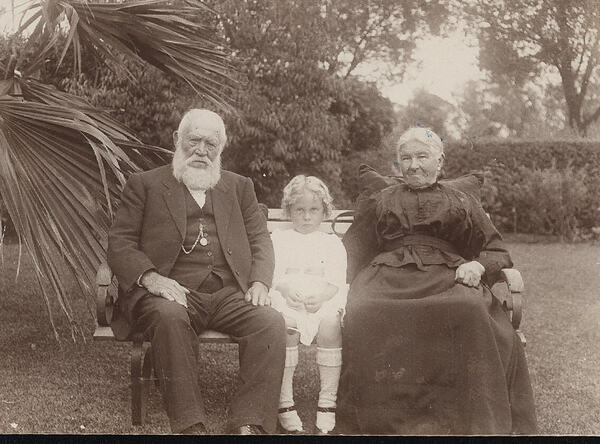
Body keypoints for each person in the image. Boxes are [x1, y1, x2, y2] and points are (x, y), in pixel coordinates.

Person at [336, 127, 537, 435]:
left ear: (440, 162)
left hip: (448, 276)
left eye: (422, 156)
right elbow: (352, 249)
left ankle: (463, 418)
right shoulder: (381, 199)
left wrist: (479, 267)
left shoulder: (462, 200)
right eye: (406, 158)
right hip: (387, 277)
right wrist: (332, 285)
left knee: (467, 307)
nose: (414, 165)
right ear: (398, 164)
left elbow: (496, 249)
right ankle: (380, 420)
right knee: (364, 308)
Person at [107, 109, 286, 435]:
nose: (202, 151)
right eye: (194, 141)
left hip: (227, 293)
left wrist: (260, 280)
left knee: (269, 322)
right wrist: (151, 278)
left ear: (221, 148)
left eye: (211, 144)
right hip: (167, 292)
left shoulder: (238, 187)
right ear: (177, 140)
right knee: (170, 317)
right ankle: (191, 425)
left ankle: (250, 421)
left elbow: (261, 240)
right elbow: (120, 243)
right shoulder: (145, 185)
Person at [268, 175, 348, 434]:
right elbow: (274, 276)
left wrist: (322, 297)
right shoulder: (279, 239)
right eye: (299, 210)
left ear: (324, 211)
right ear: (289, 210)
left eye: (313, 210)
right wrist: (287, 291)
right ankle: (285, 402)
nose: (306, 216)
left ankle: (327, 402)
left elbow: (336, 280)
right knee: (286, 324)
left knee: (331, 325)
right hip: (288, 298)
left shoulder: (331, 242)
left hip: (322, 298)